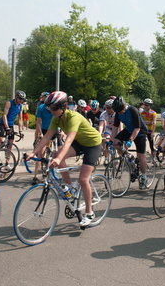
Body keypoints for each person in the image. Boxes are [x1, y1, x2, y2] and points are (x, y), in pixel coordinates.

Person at [25, 91, 102, 227]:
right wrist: (33, 152)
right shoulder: (57, 118)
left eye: (54, 108)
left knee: (83, 179)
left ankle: (90, 213)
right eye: (50, 108)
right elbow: (47, 137)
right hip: (80, 142)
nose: (51, 111)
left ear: (63, 106)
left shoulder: (74, 117)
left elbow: (68, 141)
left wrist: (60, 158)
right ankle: (70, 186)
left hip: (93, 144)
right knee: (55, 154)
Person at [111, 96, 149, 188]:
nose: (120, 113)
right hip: (129, 130)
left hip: (140, 132)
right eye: (118, 112)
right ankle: (130, 160)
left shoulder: (133, 110)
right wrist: (112, 140)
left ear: (124, 106)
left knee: (140, 155)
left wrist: (130, 141)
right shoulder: (117, 113)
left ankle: (144, 176)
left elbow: (137, 128)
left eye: (121, 111)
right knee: (116, 142)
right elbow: (115, 128)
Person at [31, 91, 55, 185]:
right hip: (44, 130)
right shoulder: (41, 107)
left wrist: (60, 131)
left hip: (54, 129)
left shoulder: (54, 107)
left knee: (57, 151)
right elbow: (38, 122)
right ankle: (35, 176)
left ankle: (53, 173)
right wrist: (39, 134)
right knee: (40, 153)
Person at [0, 90, 25, 159]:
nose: (21, 100)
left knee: (10, 144)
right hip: (3, 123)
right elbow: (4, 115)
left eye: (22, 99)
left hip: (11, 125)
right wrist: (7, 127)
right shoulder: (9, 103)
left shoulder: (20, 106)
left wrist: (20, 131)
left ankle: (7, 163)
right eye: (20, 98)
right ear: (16, 97)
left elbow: (20, 119)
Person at [98, 99, 116, 165]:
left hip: (116, 129)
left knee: (118, 144)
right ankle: (106, 158)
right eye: (106, 107)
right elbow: (101, 125)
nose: (107, 109)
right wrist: (99, 134)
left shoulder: (117, 114)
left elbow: (120, 126)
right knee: (106, 142)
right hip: (108, 129)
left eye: (109, 108)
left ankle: (120, 158)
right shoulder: (104, 113)